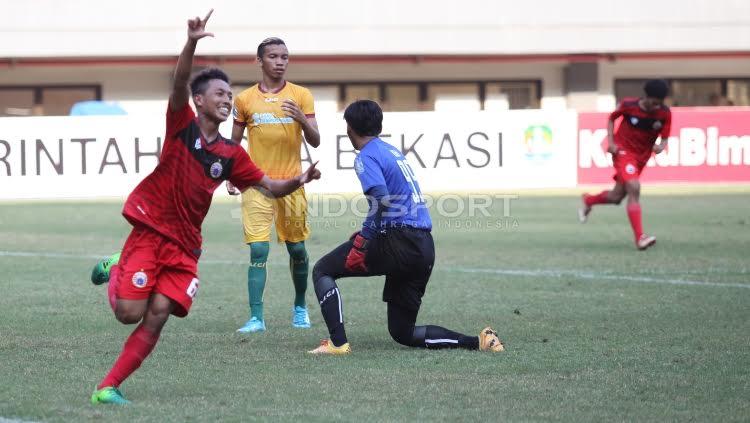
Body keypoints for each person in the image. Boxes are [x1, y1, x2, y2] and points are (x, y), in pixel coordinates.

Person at [88, 10, 321, 405]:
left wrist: (298, 180)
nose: (227, 100)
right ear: (199, 101)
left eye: (230, 95)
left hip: (184, 246)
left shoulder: (232, 154)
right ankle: (118, 263)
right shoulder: (182, 124)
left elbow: (268, 186)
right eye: (220, 94)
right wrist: (193, 41)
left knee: (159, 312)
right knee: (129, 312)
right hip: (150, 232)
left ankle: (107, 388)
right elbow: (179, 80)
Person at [307, 100, 504, 355]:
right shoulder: (391, 151)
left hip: (399, 242)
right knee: (403, 331)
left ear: (350, 128)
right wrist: (369, 234)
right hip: (422, 246)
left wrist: (364, 240)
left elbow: (381, 198)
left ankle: (337, 343)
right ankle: (478, 341)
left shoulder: (365, 157)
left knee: (323, 270)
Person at [227, 37, 320, 333]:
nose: (280, 62)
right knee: (257, 251)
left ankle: (300, 307)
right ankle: (256, 317)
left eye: (284, 57)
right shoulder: (244, 100)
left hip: (292, 185)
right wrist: (230, 174)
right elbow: (233, 142)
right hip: (256, 186)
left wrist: (301, 121)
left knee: (297, 250)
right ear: (260, 61)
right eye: (273, 56)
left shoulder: (301, 95)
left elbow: (316, 140)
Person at [579, 79, 671, 250]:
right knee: (634, 187)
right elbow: (611, 118)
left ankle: (588, 200)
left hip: (641, 157)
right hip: (623, 151)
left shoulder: (664, 113)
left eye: (658, 103)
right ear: (647, 96)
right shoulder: (629, 105)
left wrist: (661, 146)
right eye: (653, 102)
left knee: (617, 197)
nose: (655, 106)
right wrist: (611, 142)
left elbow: (664, 138)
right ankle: (640, 238)